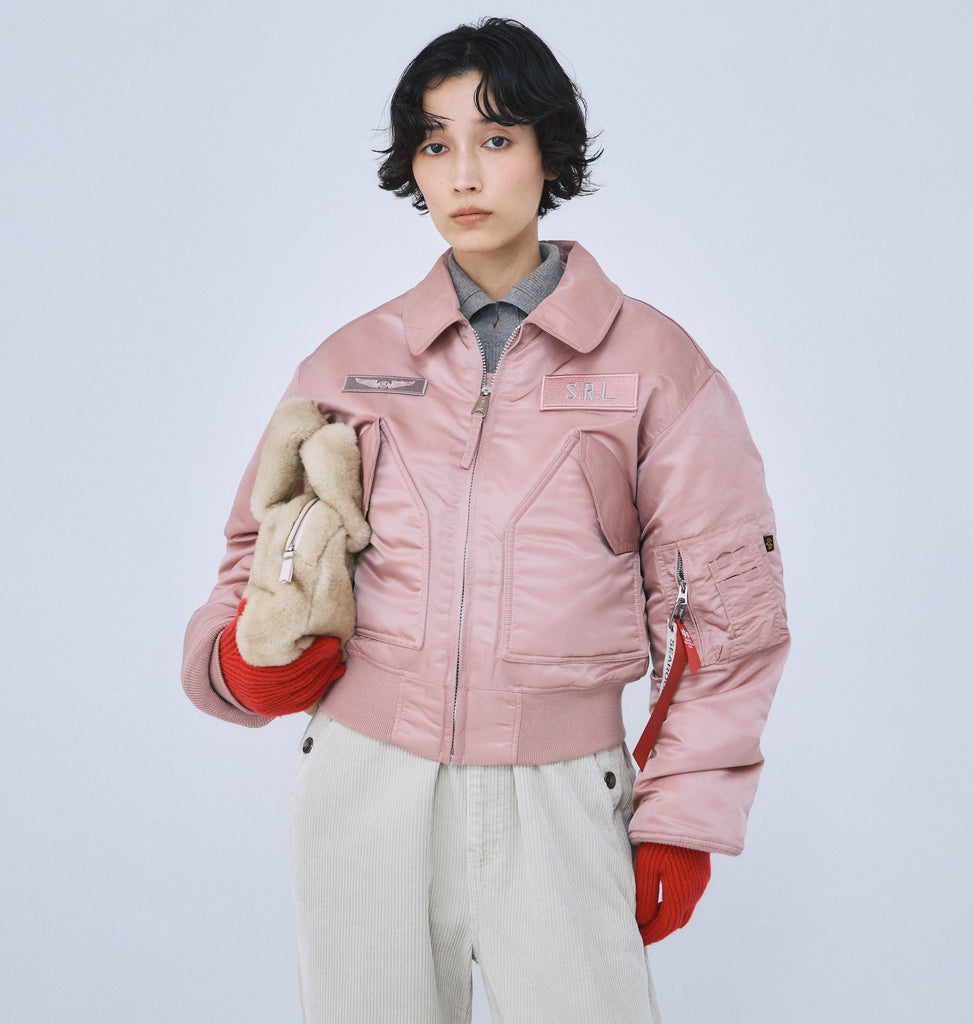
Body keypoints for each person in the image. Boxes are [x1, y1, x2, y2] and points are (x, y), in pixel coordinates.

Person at [182, 17, 790, 1024]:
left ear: (550, 151)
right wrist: (235, 664)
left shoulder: (655, 367)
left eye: (496, 138)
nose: (462, 174)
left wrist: (683, 816)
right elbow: (256, 547)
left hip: (561, 789)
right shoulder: (352, 361)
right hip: (363, 779)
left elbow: (725, 613)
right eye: (435, 144)